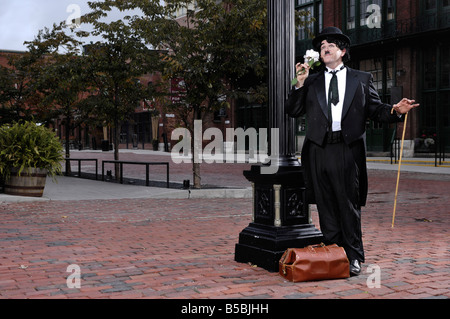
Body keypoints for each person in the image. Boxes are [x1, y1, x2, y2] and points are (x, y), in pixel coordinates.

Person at [285, 27, 419, 276]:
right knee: (325, 205)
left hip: (347, 149)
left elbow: (376, 109)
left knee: (348, 203)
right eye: (321, 45)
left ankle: (353, 256)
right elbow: (292, 109)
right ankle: (333, 254)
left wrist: (395, 111)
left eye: (330, 44)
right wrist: (299, 81)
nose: (324, 48)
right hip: (318, 149)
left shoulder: (361, 79)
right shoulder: (311, 80)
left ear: (342, 51)